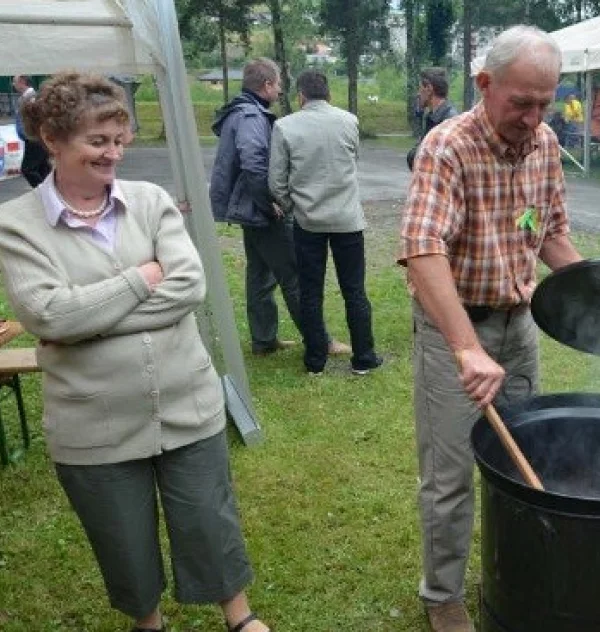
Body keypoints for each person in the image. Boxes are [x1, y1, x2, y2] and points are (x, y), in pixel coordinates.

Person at [0, 71, 269, 632]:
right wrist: (141, 278)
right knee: (120, 534)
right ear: (52, 137)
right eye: (98, 141)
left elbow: (188, 287)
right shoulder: (15, 224)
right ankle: (148, 623)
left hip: (186, 401)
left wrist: (89, 321)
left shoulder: (148, 201)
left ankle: (238, 618)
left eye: (119, 141)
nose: (113, 154)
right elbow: (46, 314)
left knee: (208, 518)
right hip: (91, 423)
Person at [398, 25, 583, 632]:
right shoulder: (446, 146)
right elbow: (423, 250)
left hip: (519, 326)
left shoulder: (546, 144)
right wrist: (466, 348)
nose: (533, 117)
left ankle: (517, 570)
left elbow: (551, 231)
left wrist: (599, 293)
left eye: (544, 103)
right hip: (456, 334)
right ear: (484, 84)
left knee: (524, 460)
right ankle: (443, 595)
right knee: (450, 475)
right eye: (521, 103)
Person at [209, 58, 349, 358]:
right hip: (259, 209)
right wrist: (271, 203)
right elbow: (254, 163)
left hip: (248, 210)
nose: (282, 91)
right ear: (267, 85)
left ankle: (263, 340)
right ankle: (320, 341)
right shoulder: (249, 116)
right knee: (293, 275)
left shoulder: (241, 112)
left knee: (259, 276)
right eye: (279, 85)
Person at [269, 70, 383, 376]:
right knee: (354, 290)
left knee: (310, 291)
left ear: (301, 96)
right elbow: (352, 160)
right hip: (347, 218)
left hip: (309, 221)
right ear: (328, 94)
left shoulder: (284, 126)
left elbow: (276, 181)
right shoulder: (349, 121)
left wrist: (293, 206)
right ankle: (364, 356)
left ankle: (315, 359)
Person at [407, 67, 458, 169]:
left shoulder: (449, 121)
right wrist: (419, 114)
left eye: (420, 88)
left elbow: (426, 159)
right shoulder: (432, 117)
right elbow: (416, 154)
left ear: (429, 89)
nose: (418, 93)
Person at [12, 75, 51, 187]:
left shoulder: (33, 98)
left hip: (34, 138)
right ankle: (50, 193)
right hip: (31, 138)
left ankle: (43, 192)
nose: (13, 85)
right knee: (43, 168)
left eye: (15, 82)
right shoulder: (24, 98)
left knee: (28, 169)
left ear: (22, 82)